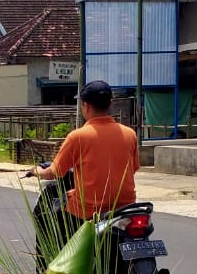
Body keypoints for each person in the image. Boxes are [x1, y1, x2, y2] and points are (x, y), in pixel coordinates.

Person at [27, 80, 138, 246]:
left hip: (89, 211)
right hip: (125, 207)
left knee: (48, 215)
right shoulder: (130, 134)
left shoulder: (78, 137)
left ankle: (54, 266)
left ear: (85, 106)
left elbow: (54, 173)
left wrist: (36, 171)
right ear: (110, 104)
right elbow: (133, 168)